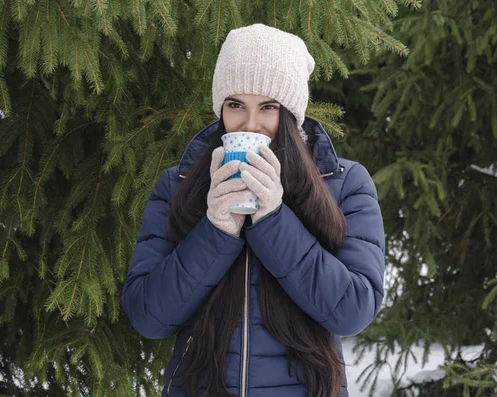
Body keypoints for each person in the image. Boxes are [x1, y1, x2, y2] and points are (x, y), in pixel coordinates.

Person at [122, 24, 385, 397]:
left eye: (268, 107)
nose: (250, 125)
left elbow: (354, 309)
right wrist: (215, 230)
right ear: (221, 112)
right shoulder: (180, 185)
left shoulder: (344, 184)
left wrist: (273, 219)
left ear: (291, 113)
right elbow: (148, 317)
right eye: (235, 105)